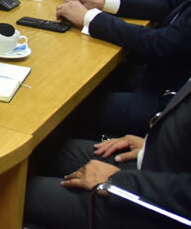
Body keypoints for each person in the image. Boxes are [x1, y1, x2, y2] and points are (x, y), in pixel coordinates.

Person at [56, 0, 191, 134]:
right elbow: (171, 4)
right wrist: (102, 2)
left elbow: (159, 43)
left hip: (167, 102)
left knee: (71, 108)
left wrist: (89, 18)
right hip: (159, 74)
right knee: (78, 81)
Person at [24, 74, 191, 229]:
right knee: (48, 151)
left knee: (20, 193)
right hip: (161, 168)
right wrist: (155, 144)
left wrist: (118, 182)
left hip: (157, 205)